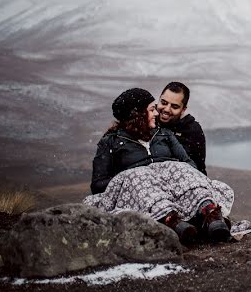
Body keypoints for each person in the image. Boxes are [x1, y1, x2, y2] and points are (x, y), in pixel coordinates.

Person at [84, 87, 233, 244]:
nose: (157, 113)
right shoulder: (110, 142)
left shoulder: (163, 134)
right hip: (139, 195)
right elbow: (98, 185)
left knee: (181, 168)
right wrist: (128, 178)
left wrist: (168, 171)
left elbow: (189, 164)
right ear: (138, 115)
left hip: (171, 190)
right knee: (139, 175)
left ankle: (210, 214)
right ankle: (172, 221)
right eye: (151, 109)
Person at [155, 81, 207, 174]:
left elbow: (199, 169)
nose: (167, 109)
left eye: (174, 106)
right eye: (163, 102)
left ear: (183, 109)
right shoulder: (146, 118)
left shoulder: (193, 130)